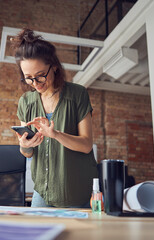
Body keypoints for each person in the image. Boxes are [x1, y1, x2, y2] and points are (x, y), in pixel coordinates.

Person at [12, 28, 98, 208]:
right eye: (28, 78)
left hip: (75, 191)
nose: (35, 84)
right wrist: (25, 146)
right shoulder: (26, 102)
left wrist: (56, 134)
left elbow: (86, 145)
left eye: (40, 75)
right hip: (42, 191)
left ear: (55, 66)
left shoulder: (77, 94)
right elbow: (28, 153)